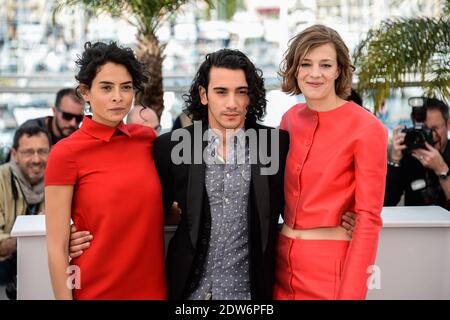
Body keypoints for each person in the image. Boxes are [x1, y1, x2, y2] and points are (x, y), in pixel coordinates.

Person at [68, 48, 357, 300]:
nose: (231, 103)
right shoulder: (171, 148)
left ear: (250, 97)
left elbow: (310, 196)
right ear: (204, 95)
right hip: (189, 292)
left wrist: (349, 215)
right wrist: (70, 232)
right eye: (221, 91)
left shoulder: (277, 145)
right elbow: (143, 207)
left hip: (252, 293)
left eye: (241, 92)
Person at [45, 41, 167, 300]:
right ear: (85, 92)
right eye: (106, 87)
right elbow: (56, 248)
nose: (117, 97)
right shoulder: (65, 154)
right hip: (95, 291)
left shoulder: (146, 140)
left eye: (126, 88)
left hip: (153, 291)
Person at [274, 24, 388, 300]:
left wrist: (352, 293)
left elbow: (368, 220)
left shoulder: (367, 127)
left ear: (339, 70)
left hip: (330, 272)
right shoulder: (289, 119)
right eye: (306, 64)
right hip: (280, 267)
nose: (315, 74)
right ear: (295, 69)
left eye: (325, 65)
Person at [0, 126, 49, 299]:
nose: (36, 159)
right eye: (28, 152)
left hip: (44, 270)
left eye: (42, 151)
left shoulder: (59, 181)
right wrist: (35, 229)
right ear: (14, 154)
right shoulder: (1, 179)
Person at [384, 97, 450, 208]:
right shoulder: (409, 156)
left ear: (448, 124)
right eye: (423, 130)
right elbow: (386, 204)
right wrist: (394, 161)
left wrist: (442, 169)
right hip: (414, 224)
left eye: (434, 129)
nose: (430, 135)